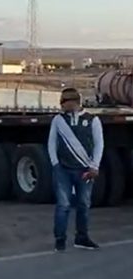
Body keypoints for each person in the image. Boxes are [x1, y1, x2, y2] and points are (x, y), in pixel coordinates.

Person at [47, 87, 102, 252]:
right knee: (63, 205)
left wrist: (94, 166)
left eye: (64, 102)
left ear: (73, 102)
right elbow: (52, 143)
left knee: (84, 204)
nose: (62, 106)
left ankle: (82, 238)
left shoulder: (92, 120)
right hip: (63, 169)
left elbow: (99, 144)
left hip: (85, 169)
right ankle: (60, 239)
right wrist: (55, 164)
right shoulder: (58, 120)